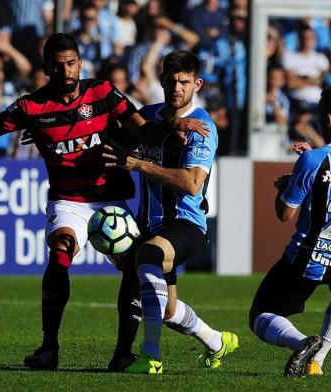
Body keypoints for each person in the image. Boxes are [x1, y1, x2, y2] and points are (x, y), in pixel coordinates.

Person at [0, 33, 208, 370]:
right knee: (61, 251)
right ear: (46, 69)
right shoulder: (31, 107)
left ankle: (123, 353)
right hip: (68, 200)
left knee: (135, 264)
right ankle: (49, 348)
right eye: (58, 66)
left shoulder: (101, 92)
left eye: (71, 63)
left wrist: (173, 123)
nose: (66, 71)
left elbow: (142, 130)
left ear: (80, 63)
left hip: (109, 199)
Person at [103, 50, 238, 374]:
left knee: (146, 256)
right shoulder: (149, 117)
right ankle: (218, 342)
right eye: (171, 81)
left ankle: (150, 355)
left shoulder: (203, 127)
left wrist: (138, 164)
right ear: (161, 81)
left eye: (184, 82)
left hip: (186, 224)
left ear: (197, 84)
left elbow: (192, 184)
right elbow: (115, 139)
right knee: (166, 309)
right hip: (150, 224)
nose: (177, 87)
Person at [249, 85, 331, 377]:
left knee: (260, 315)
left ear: (327, 120)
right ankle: (318, 361)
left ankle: (304, 343)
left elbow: (285, 213)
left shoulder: (313, 160)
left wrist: (283, 187)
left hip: (309, 258)